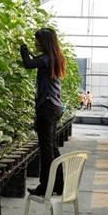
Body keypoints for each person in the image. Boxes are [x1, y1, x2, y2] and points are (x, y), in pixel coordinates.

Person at [20, 28, 66, 196]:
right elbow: (35, 60)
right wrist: (30, 52)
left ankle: (45, 187)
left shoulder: (46, 59)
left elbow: (28, 63)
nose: (35, 43)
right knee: (52, 148)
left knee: (46, 150)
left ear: (44, 42)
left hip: (47, 108)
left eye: (37, 40)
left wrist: (22, 47)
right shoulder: (53, 58)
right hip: (54, 107)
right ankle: (59, 185)